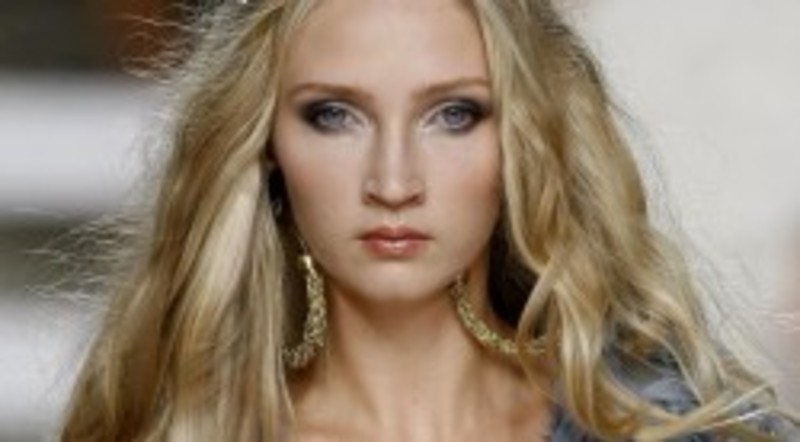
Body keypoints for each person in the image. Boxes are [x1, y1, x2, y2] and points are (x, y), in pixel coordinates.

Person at [60, 0, 799, 440]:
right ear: (268, 148)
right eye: (334, 115)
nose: (393, 182)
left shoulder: (672, 430)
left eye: (453, 114)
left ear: (524, 139)